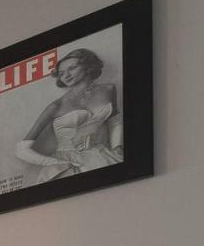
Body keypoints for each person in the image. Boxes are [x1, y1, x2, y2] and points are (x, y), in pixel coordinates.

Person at [14, 47, 123, 184]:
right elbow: (21, 149)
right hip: (68, 165)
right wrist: (53, 163)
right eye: (61, 73)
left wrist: (117, 147)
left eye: (72, 68)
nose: (66, 75)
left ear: (87, 67)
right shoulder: (56, 106)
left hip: (103, 156)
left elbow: (114, 120)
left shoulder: (108, 89)